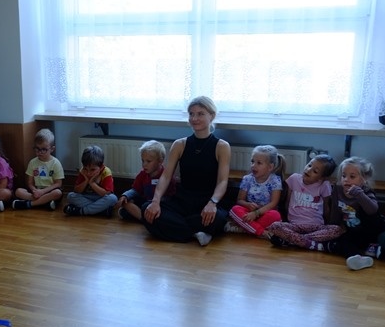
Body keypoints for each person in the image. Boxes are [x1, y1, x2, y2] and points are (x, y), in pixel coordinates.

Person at [143, 96, 231, 245]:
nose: (194, 118)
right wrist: (155, 201)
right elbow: (165, 176)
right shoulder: (179, 144)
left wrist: (212, 203)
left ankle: (180, 229)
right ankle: (196, 232)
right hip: (183, 200)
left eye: (200, 114)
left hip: (208, 200)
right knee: (147, 209)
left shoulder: (222, 146)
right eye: (191, 114)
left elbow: (222, 181)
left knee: (218, 218)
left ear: (212, 116)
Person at [264, 154, 343, 250]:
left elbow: (326, 209)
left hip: (315, 226)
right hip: (294, 225)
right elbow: (287, 203)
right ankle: (312, 244)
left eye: (315, 171)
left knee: (337, 230)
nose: (308, 170)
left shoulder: (324, 185)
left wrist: (327, 224)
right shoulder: (294, 179)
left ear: (321, 178)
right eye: (309, 165)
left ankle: (293, 241)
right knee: (275, 226)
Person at [321, 156, 385, 270]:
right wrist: (333, 228)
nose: (346, 179)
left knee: (373, 217)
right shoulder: (338, 190)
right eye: (343, 176)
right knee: (342, 240)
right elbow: (335, 210)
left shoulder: (365, 192)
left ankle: (372, 248)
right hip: (352, 231)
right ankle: (357, 258)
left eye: (352, 176)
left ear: (363, 179)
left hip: (370, 230)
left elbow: (373, 210)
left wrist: (359, 194)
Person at [224, 144, 283, 236]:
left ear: (270, 167)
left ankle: (243, 228)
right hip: (249, 213)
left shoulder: (275, 181)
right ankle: (261, 232)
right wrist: (247, 204)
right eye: (252, 161)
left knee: (275, 215)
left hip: (265, 213)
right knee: (234, 210)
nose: (253, 166)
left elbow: (273, 204)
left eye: (259, 163)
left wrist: (256, 213)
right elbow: (240, 200)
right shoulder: (247, 179)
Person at [117, 140, 172, 222]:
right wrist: (126, 195)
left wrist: (155, 203)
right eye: (143, 160)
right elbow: (135, 190)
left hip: (158, 205)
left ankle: (143, 218)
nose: (144, 164)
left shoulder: (166, 175)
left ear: (160, 161)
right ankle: (145, 219)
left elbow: (170, 197)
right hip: (144, 201)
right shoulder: (142, 174)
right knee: (125, 203)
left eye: (148, 161)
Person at [13, 128, 64, 210]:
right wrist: (35, 190)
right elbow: (30, 183)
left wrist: (42, 192)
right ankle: (44, 202)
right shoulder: (32, 162)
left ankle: (30, 204)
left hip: (49, 191)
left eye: (44, 149)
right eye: (37, 148)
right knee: (18, 191)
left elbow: (58, 184)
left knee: (57, 193)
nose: (39, 152)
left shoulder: (56, 163)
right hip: (36, 191)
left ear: (52, 149)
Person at [64, 145, 118, 216]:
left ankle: (81, 211)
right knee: (70, 196)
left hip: (100, 198)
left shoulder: (106, 172)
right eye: (86, 169)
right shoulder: (83, 171)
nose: (88, 173)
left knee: (113, 198)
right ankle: (102, 211)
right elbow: (76, 190)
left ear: (101, 167)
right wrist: (86, 181)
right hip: (86, 197)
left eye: (92, 170)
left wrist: (92, 183)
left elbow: (106, 194)